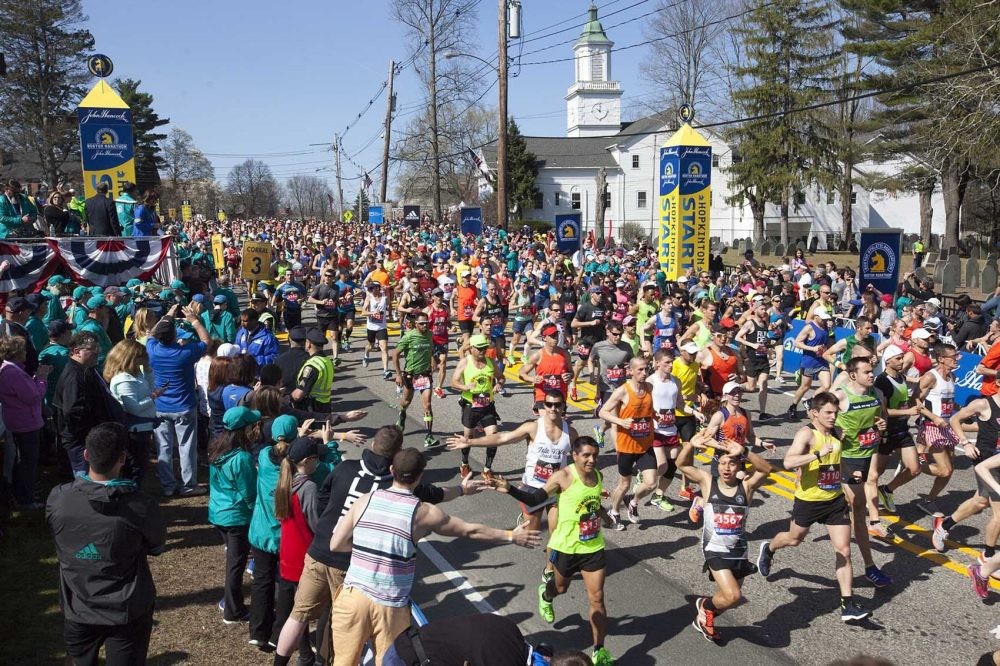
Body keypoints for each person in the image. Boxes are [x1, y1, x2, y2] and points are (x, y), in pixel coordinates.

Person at [270, 426, 484, 666]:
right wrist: (462, 490)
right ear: (398, 454)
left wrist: (327, 527)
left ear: (373, 445)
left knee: (298, 616)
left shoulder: (345, 468)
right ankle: (323, 661)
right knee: (337, 621)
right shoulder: (395, 484)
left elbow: (322, 498)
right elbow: (437, 494)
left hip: (319, 551)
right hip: (350, 563)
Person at [326, 448, 540, 666]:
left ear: (391, 470)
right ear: (420, 476)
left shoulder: (364, 500)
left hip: (353, 597)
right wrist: (511, 536)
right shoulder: (423, 512)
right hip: (391, 605)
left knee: (343, 661)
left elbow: (336, 544)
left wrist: (370, 548)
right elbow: (470, 531)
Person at [46, 422, 166, 666]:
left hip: (78, 606)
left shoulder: (58, 498)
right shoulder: (141, 506)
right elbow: (157, 544)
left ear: (86, 455)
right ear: (122, 458)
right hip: (126, 609)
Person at [489, 436, 616, 666]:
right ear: (574, 456)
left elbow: (593, 505)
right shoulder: (563, 477)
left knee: (597, 598)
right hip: (566, 547)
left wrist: (606, 518)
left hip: (592, 546)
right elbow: (534, 498)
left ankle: (599, 650)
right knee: (560, 588)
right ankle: (546, 595)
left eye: (595, 455)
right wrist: (509, 488)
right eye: (586, 455)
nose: (591, 460)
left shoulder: (598, 476)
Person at [755, 392, 872, 622]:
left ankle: (848, 604)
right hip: (809, 500)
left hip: (834, 500)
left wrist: (851, 473)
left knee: (844, 550)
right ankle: (769, 549)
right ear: (815, 413)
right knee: (794, 539)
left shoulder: (837, 432)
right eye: (828, 413)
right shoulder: (806, 434)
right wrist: (816, 454)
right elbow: (788, 462)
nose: (833, 417)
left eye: (835, 413)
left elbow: (838, 460)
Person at [447, 388, 576, 581]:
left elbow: (577, 461)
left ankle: (549, 570)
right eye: (549, 404)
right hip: (533, 488)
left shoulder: (570, 433)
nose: (553, 408)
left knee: (556, 533)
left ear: (564, 406)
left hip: (556, 490)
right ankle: (524, 517)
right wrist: (470, 442)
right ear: (544, 406)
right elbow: (501, 438)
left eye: (557, 405)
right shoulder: (533, 428)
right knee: (532, 534)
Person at [676, 434, 772, 642]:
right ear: (717, 465)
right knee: (733, 595)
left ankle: (704, 617)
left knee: (729, 599)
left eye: (732, 463)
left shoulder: (746, 487)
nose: (726, 468)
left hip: (739, 550)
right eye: (722, 463)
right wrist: (690, 445)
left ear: (739, 466)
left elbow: (766, 469)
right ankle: (705, 607)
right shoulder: (708, 482)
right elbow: (682, 464)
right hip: (714, 548)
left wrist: (745, 451)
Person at [829, 357, 893, 583]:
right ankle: (774, 546)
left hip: (869, 452)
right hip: (847, 457)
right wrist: (835, 429)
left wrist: (881, 425)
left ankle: (869, 566)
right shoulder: (840, 396)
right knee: (797, 535)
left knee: (858, 508)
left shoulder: (877, 394)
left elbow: (882, 416)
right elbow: (814, 414)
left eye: (872, 371)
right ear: (853, 375)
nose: (871, 374)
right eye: (866, 372)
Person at [147, 307, 212, 497]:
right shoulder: (186, 353)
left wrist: (168, 314)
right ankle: (188, 485)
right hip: (184, 406)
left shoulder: (152, 349)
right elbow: (206, 341)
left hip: (160, 407)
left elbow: (151, 334)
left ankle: (168, 486)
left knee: (163, 448)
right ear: (175, 335)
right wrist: (194, 320)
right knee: (186, 447)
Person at [931, 391, 1000, 556]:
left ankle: (944, 526)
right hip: (986, 461)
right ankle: (988, 556)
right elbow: (954, 419)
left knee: (980, 501)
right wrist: (966, 443)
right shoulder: (983, 404)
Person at [209, 406, 261, 624]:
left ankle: (229, 601)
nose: (254, 429)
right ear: (244, 430)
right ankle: (233, 610)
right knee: (236, 564)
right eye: (251, 425)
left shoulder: (217, 450)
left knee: (234, 559)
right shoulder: (242, 458)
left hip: (218, 513)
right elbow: (249, 493)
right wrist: (258, 515)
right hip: (236, 517)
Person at [53, 332, 124, 476]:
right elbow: (73, 412)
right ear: (76, 351)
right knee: (85, 481)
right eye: (92, 349)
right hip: (81, 442)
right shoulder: (74, 376)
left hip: (90, 438)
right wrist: (88, 435)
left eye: (98, 348)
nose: (97, 352)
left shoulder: (86, 370)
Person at [599, 356, 657, 530]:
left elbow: (647, 409)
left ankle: (633, 500)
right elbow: (602, 412)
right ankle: (614, 512)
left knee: (651, 483)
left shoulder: (649, 387)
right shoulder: (622, 391)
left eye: (646, 369)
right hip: (627, 445)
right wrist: (620, 422)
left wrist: (655, 416)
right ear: (630, 371)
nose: (644, 373)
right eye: (640, 369)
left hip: (645, 444)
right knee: (624, 484)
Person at [0, 335, 50, 509]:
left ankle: (23, 493)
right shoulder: (13, 373)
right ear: (16, 353)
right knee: (27, 461)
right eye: (23, 350)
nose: (26, 353)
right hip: (25, 423)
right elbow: (33, 397)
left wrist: (36, 379)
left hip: (19, 420)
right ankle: (25, 499)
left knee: (23, 460)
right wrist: (42, 378)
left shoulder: (10, 370)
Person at [105, 340, 164, 486]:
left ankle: (132, 491)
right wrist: (153, 396)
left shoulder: (135, 374)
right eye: (141, 356)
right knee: (135, 466)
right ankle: (130, 493)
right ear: (130, 357)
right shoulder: (124, 380)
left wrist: (148, 370)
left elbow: (150, 388)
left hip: (142, 427)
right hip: (135, 430)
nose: (144, 358)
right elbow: (134, 408)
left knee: (139, 465)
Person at [451, 334, 504, 478]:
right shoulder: (465, 362)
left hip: (487, 406)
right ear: (472, 348)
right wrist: (465, 387)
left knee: (493, 438)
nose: (483, 351)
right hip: (470, 406)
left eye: (485, 348)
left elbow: (501, 377)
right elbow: (454, 382)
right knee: (468, 438)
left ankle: (487, 469)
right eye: (479, 348)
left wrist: (499, 384)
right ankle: (464, 463)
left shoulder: (490, 362)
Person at [393, 312, 439, 448]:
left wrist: (433, 359)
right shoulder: (409, 336)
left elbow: (430, 348)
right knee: (406, 402)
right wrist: (398, 375)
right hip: (410, 375)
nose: (425, 326)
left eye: (427, 323)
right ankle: (402, 414)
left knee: (427, 405)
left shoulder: (429, 335)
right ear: (416, 324)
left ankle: (428, 436)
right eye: (422, 323)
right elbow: (395, 354)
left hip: (425, 375)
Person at [589, 320, 633, 448]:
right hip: (607, 388)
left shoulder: (626, 347)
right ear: (608, 332)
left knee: (615, 418)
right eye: (615, 334)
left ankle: (601, 430)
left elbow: (632, 362)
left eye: (620, 334)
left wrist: (630, 367)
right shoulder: (599, 346)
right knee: (615, 423)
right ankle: (620, 453)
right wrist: (591, 374)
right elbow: (590, 360)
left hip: (623, 388)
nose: (617, 337)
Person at [786, 308, 833, 417]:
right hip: (809, 361)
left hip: (821, 361)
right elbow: (797, 342)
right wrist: (812, 349)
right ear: (816, 317)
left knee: (827, 386)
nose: (825, 320)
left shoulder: (825, 326)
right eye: (823, 318)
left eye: (826, 319)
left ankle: (810, 401)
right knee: (805, 387)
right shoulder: (809, 328)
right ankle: (793, 406)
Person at [735, 298, 775, 419]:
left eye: (765, 309)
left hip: (763, 360)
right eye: (762, 309)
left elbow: (763, 339)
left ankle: (762, 413)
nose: (764, 311)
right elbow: (737, 337)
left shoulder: (765, 324)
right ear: (756, 309)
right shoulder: (750, 323)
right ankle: (735, 386)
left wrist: (769, 344)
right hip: (752, 359)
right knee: (751, 387)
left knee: (763, 384)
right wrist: (752, 345)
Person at [291, 327, 336, 413]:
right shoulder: (327, 361)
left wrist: (288, 398)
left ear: (308, 344)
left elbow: (298, 395)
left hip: (312, 409)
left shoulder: (312, 365)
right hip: (325, 407)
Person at [361, 281, 391, 378]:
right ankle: (366, 354)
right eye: (369, 289)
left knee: (384, 348)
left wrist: (387, 292)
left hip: (382, 327)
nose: (370, 290)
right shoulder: (369, 297)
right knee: (371, 346)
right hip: (371, 327)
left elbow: (389, 304)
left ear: (377, 288)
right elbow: (363, 312)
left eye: (372, 288)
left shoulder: (384, 296)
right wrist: (372, 313)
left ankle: (385, 370)